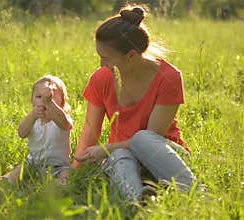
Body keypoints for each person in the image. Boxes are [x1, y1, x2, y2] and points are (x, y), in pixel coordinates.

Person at [73, 5, 196, 202]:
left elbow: (152, 137)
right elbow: (90, 132)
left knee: (142, 139)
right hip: (122, 158)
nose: (101, 65)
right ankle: (137, 203)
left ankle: (197, 194)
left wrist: (106, 149)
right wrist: (73, 174)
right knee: (121, 154)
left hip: (167, 157)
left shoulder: (169, 77)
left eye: (105, 58)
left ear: (130, 55)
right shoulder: (101, 79)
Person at [2, 75, 73, 184]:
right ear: (32, 101)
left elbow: (65, 125)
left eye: (51, 97)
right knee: (20, 169)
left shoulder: (61, 119)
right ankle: (8, 180)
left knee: (67, 174)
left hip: (59, 166)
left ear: (62, 103)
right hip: (34, 163)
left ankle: (57, 185)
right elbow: (21, 133)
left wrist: (50, 103)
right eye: (39, 97)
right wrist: (32, 116)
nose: (44, 101)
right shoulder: (33, 120)